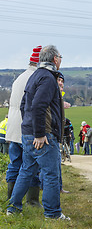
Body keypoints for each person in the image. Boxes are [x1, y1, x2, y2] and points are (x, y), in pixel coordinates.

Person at [7, 45, 70, 220]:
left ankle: (13, 207)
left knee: (26, 171)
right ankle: (52, 213)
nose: (60, 61)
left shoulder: (34, 76)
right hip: (43, 135)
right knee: (51, 173)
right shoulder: (48, 78)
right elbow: (38, 106)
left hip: (27, 133)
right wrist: (40, 134)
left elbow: (23, 106)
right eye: (60, 57)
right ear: (55, 59)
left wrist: (28, 127)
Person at [5, 46, 42, 207]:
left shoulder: (20, 77)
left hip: (13, 128)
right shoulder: (37, 78)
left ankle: (10, 198)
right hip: (28, 128)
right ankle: (32, 201)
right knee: (33, 165)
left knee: (15, 163)